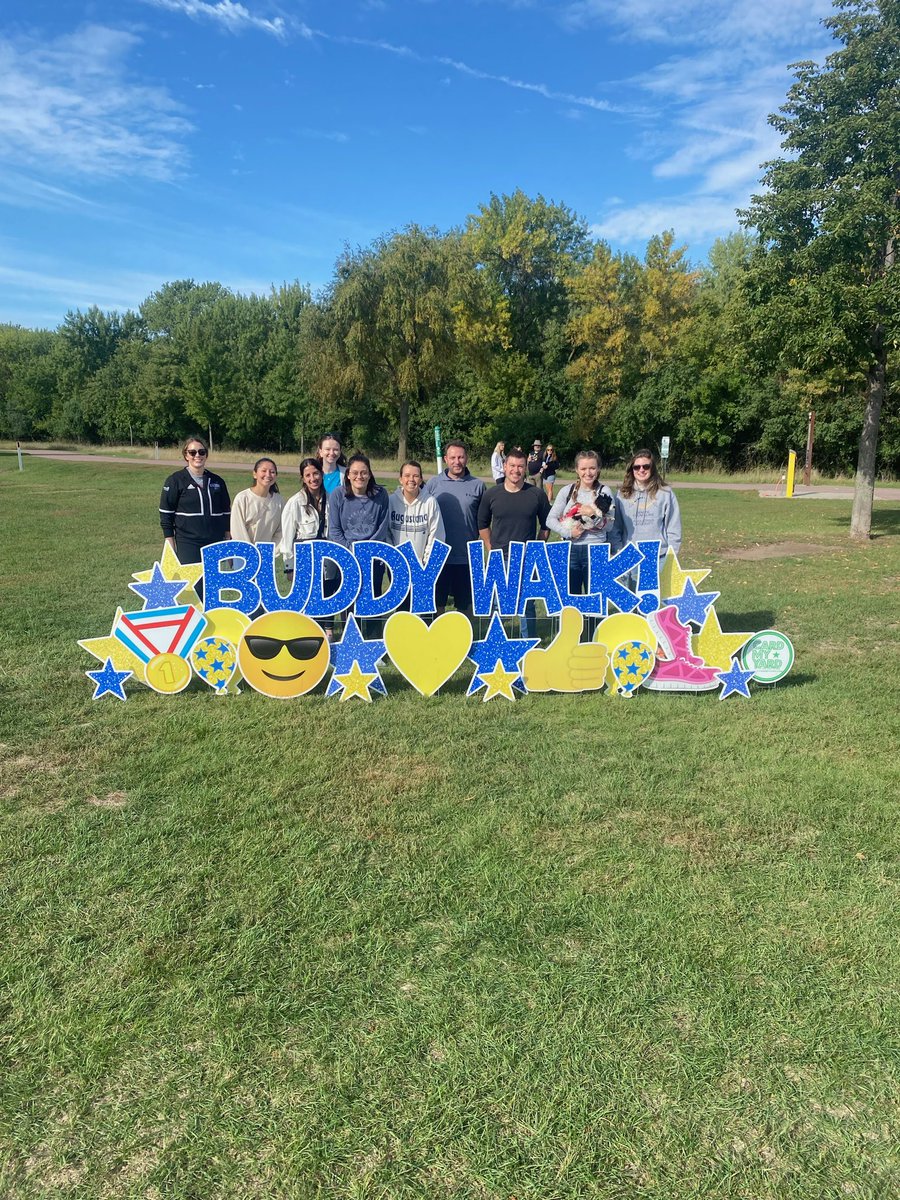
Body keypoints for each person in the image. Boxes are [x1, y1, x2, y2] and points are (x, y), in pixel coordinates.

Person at [477, 447, 551, 640]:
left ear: (525, 468)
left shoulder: (536, 494)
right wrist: (490, 547)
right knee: (496, 604)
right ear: (504, 466)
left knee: (527, 603)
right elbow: (482, 524)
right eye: (512, 465)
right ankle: (496, 640)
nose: (516, 470)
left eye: (520, 466)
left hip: (527, 557)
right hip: (499, 557)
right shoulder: (492, 494)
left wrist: (536, 548)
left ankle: (529, 643)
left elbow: (546, 525)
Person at [421, 440, 485, 618]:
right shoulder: (433, 484)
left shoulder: (478, 485)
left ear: (466, 458)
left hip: (466, 556)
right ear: (446, 459)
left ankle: (467, 642)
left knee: (465, 606)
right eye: (453, 457)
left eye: (461, 457)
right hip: (438, 556)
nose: (457, 461)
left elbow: (484, 520)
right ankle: (436, 641)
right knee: (436, 605)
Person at [546, 450, 617, 605]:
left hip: (596, 551)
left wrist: (592, 515)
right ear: (577, 470)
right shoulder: (567, 491)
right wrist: (568, 532)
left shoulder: (604, 492)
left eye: (592, 468)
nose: (588, 473)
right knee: (571, 601)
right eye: (583, 469)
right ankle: (576, 629)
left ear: (598, 469)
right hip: (570, 551)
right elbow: (550, 520)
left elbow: (610, 526)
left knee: (596, 601)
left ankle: (594, 630)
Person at [328, 454, 390, 628]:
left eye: (364, 472)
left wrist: (367, 551)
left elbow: (382, 526)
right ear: (348, 474)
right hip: (346, 554)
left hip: (373, 554)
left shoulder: (381, 494)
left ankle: (372, 637)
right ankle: (350, 634)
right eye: (355, 472)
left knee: (373, 595)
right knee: (348, 598)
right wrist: (351, 550)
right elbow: (334, 529)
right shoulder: (338, 495)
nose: (359, 476)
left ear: (370, 474)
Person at [282, 456, 337, 636]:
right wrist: (289, 567)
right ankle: (308, 633)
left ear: (322, 474)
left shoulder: (333, 499)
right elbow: (288, 535)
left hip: (328, 557)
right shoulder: (295, 502)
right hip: (305, 558)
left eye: (316, 473)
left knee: (328, 595)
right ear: (303, 478)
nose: (313, 478)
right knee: (308, 598)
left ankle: (328, 632)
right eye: (308, 475)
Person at [159, 435, 230, 564]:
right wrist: (170, 542)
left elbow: (226, 512)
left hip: (215, 542)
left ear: (206, 455)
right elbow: (166, 514)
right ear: (186, 456)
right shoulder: (175, 480)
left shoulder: (217, 481)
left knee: (212, 583)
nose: (197, 455)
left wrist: (227, 540)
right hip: (188, 542)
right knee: (195, 583)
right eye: (192, 452)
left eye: (201, 452)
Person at [612, 448, 682, 565]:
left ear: (652, 468)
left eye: (646, 466)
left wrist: (671, 557)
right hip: (629, 557)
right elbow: (615, 528)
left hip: (658, 557)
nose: (641, 470)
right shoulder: (622, 494)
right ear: (632, 469)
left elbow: (673, 528)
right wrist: (619, 552)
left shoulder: (665, 493)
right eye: (637, 467)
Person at [230, 457, 283, 548]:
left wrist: (270, 551)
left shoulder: (279, 501)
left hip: (266, 555)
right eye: (264, 471)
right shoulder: (242, 498)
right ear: (255, 474)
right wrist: (251, 554)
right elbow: (237, 530)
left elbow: (281, 532)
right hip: (243, 554)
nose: (268, 474)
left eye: (272, 472)